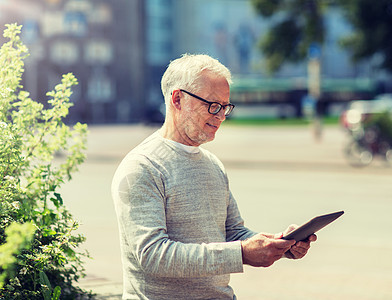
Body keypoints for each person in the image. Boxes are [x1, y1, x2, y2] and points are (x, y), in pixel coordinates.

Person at [111, 53, 316, 299]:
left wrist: (280, 245)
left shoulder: (213, 165)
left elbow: (233, 234)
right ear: (178, 99)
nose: (220, 116)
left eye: (225, 107)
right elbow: (153, 255)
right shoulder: (142, 167)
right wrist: (241, 253)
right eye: (212, 105)